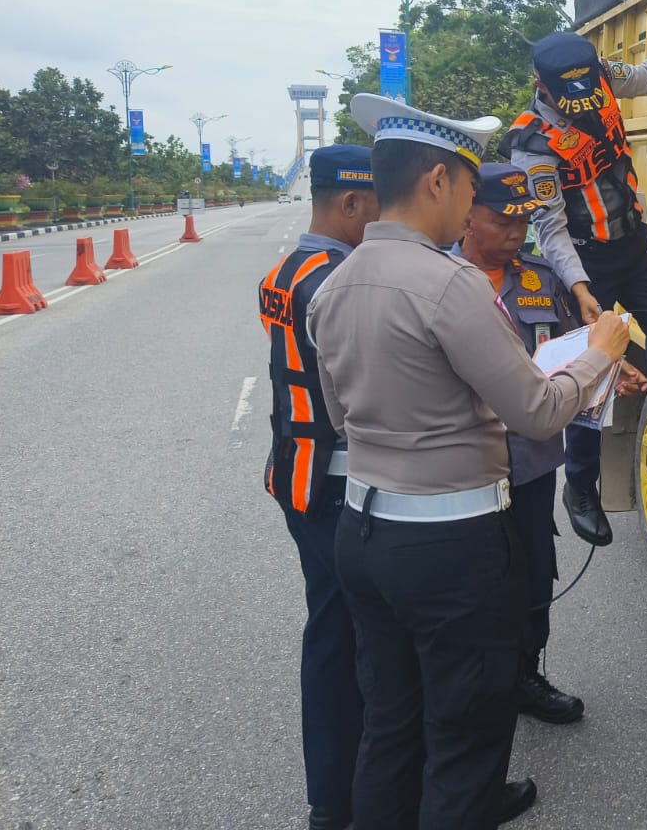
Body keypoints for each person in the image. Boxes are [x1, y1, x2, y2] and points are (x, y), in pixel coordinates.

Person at [308, 94, 631, 830]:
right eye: (467, 184)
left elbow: (339, 418)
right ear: (436, 182)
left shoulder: (336, 284)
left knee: (391, 725)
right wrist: (601, 354)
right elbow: (541, 412)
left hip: (363, 534)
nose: (474, 210)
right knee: (464, 743)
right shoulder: (448, 285)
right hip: (448, 550)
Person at [502, 1, 647, 488]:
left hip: (632, 248)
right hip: (585, 262)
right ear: (543, 86)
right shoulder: (532, 145)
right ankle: (581, 486)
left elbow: (646, 78)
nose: (581, 103)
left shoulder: (599, 76)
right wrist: (581, 289)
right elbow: (551, 226)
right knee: (593, 372)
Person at [453, 162, 646, 724]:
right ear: (467, 217)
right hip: (467, 468)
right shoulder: (439, 283)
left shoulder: (541, 279)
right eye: (501, 222)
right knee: (471, 584)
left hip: (532, 463)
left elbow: (573, 350)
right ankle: (472, 686)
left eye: (523, 223)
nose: (515, 235)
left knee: (535, 573)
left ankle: (525, 676)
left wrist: (613, 372)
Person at [257, 144, 379, 830]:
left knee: (335, 630)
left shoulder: (287, 270)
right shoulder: (334, 282)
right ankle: (340, 799)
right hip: (332, 484)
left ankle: (342, 791)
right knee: (349, 638)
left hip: (296, 476)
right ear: (351, 203)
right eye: (376, 210)